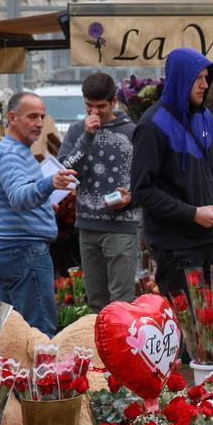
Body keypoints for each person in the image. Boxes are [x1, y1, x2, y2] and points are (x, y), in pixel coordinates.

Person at [131, 48, 213, 299]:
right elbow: (142, 190)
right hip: (177, 247)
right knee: (186, 327)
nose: (204, 85)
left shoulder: (206, 117)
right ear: (180, 79)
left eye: (207, 78)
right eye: (198, 78)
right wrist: (193, 214)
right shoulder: (152, 125)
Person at [0, 92, 76, 334]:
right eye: (32, 116)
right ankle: (41, 373)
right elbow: (18, 197)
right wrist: (49, 184)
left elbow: (15, 198)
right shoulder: (13, 154)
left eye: (42, 117)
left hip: (7, 250)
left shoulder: (11, 150)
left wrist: (45, 204)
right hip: (23, 252)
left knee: (6, 334)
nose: (39, 123)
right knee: (39, 333)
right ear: (12, 117)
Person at [58, 73, 141, 311]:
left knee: (121, 302)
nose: (94, 113)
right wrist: (87, 137)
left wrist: (129, 199)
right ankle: (96, 347)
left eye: (101, 106)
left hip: (121, 226)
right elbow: (65, 170)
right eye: (89, 106)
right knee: (95, 302)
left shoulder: (132, 131)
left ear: (114, 101)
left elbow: (147, 178)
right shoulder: (77, 131)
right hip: (87, 225)